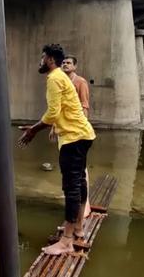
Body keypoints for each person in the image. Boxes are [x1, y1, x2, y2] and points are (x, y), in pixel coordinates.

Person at [18, 44, 96, 255]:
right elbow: (59, 111)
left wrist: (33, 130)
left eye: (42, 57)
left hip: (73, 139)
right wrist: (51, 126)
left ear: (50, 59)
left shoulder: (54, 78)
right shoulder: (61, 76)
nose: (40, 61)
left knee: (71, 188)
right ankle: (77, 228)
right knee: (79, 183)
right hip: (82, 135)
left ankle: (66, 241)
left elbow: (53, 113)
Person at [61, 55, 92, 219]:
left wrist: (81, 129)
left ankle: (84, 207)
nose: (65, 65)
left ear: (75, 66)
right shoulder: (62, 82)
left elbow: (85, 105)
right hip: (65, 131)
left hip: (77, 132)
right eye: (63, 62)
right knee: (72, 171)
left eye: (68, 63)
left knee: (80, 170)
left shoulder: (80, 82)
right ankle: (76, 205)